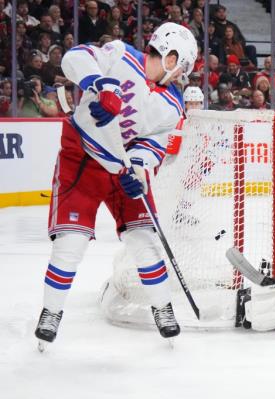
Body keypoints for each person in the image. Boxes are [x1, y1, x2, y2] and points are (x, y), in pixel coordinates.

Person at [33, 23, 198, 350]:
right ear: (169, 53)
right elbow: (75, 57)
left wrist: (136, 170)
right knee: (71, 243)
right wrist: (101, 85)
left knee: (144, 241)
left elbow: (153, 146)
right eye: (182, 65)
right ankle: (51, 312)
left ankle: (162, 307)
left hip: (122, 170)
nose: (181, 74)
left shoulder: (173, 103)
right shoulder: (121, 55)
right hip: (82, 160)